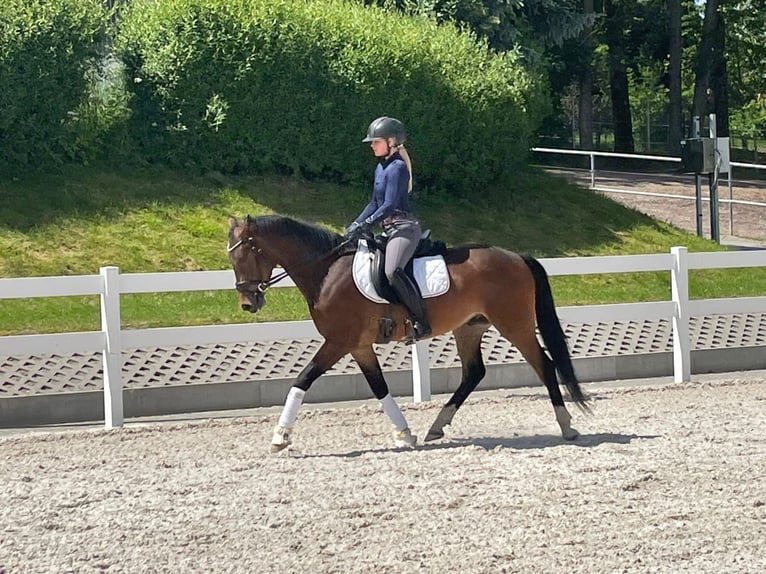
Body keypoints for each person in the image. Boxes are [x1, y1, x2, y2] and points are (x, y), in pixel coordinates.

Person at [344, 116, 431, 341]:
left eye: (375, 141)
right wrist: (355, 224)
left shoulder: (398, 168)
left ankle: (421, 322)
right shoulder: (380, 168)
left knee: (393, 271)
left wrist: (366, 223)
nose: (372, 145)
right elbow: (374, 202)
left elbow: (389, 204)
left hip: (404, 229)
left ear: (391, 141)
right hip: (388, 230)